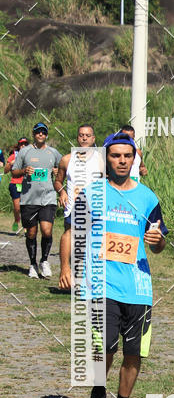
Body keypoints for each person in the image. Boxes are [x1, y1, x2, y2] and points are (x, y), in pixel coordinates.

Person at [79, 132, 167, 398]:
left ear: (134, 159)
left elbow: (159, 241)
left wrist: (158, 241)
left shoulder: (148, 198)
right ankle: (98, 394)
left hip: (138, 287)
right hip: (102, 284)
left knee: (134, 353)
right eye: (115, 156)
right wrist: (68, 268)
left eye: (127, 156)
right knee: (104, 345)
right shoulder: (92, 193)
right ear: (107, 159)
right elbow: (73, 232)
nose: (122, 161)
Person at [54, 124, 101, 290]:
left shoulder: (101, 160)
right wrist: (61, 192)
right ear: (77, 138)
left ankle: (86, 279)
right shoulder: (67, 159)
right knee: (71, 235)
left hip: (96, 205)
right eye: (81, 135)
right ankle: (65, 271)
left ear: (93, 139)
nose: (84, 138)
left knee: (89, 245)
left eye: (88, 135)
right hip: (74, 204)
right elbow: (58, 181)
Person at [12, 123, 61, 278]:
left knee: (47, 231)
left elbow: (64, 169)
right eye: (38, 132)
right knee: (31, 233)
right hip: (29, 199)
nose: (41, 134)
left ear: (46, 135)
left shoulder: (53, 152)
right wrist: (24, 171)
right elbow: (14, 172)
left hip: (48, 198)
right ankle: (32, 264)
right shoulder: (25, 151)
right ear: (34, 134)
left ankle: (44, 261)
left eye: (43, 132)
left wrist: (58, 171)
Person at [4, 138, 28, 232]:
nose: (23, 146)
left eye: (25, 144)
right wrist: (11, 163)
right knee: (17, 208)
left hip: (27, 184)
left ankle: (26, 228)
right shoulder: (13, 156)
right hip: (15, 184)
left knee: (26, 208)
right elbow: (5, 171)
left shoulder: (31, 156)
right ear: (18, 145)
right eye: (21, 144)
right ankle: (16, 220)